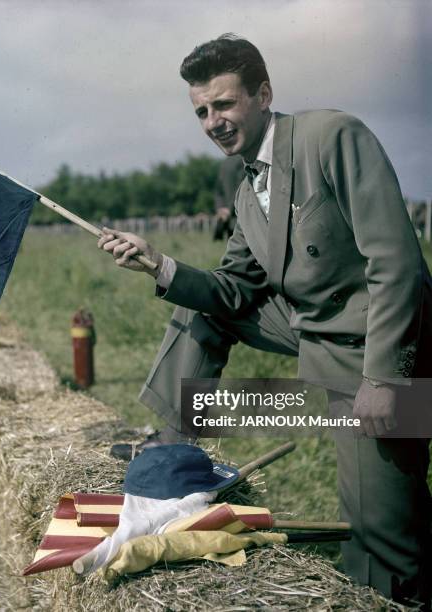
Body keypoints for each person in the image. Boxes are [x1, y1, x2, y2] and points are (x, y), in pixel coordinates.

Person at [97, 34, 431, 607]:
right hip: (313, 331)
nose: (213, 122)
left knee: (382, 539)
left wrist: (383, 379)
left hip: (383, 348)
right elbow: (232, 289)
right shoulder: (245, 181)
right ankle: (172, 450)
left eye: (224, 105)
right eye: (201, 111)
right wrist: (159, 263)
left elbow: (398, 263)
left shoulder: (332, 137)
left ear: (264, 93)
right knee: (196, 300)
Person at [212, 155, 243, 241]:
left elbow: (218, 190)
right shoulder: (245, 160)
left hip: (229, 219)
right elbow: (241, 188)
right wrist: (228, 210)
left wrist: (221, 208)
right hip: (240, 218)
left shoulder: (225, 162)